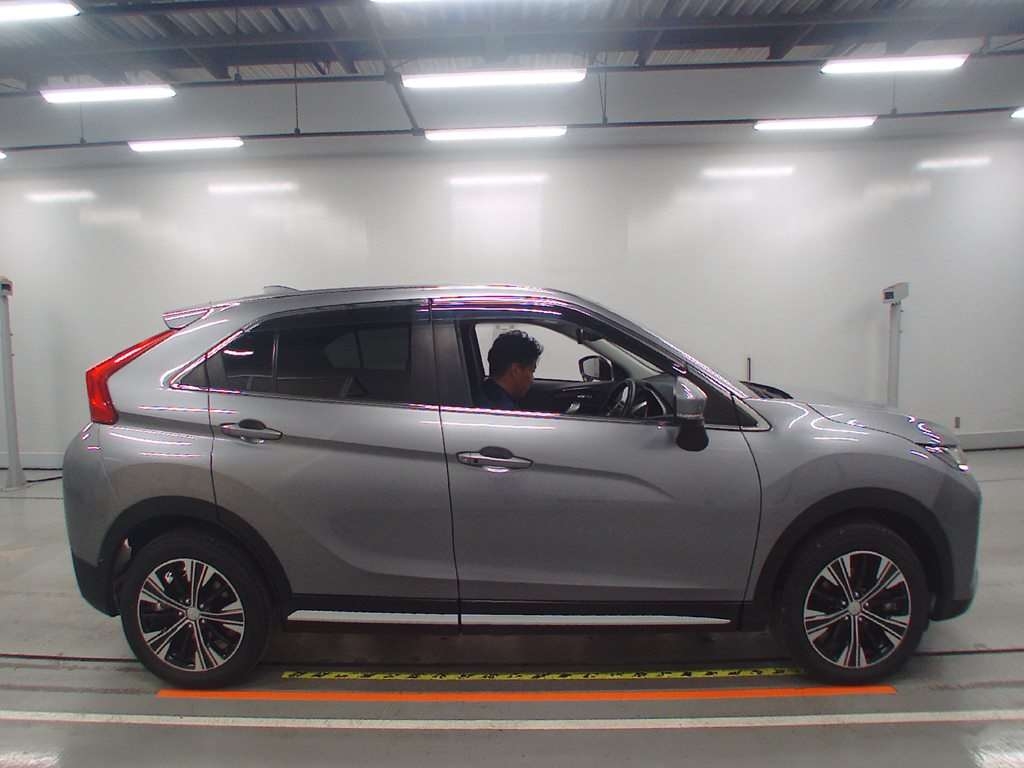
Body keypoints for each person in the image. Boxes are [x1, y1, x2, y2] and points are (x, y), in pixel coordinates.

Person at [480, 329, 543, 410]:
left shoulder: (482, 392)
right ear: (515, 371)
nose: (532, 380)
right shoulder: (504, 411)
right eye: (531, 371)